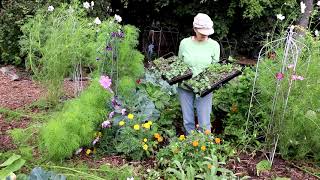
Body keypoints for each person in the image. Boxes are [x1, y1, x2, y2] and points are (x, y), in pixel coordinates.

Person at [177, 13, 220, 135]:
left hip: (205, 87)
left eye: (206, 33)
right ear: (194, 29)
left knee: (204, 120)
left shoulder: (214, 45)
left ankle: (204, 144)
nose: (204, 35)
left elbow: (215, 69)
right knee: (187, 119)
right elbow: (179, 64)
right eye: (201, 32)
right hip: (185, 86)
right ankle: (189, 144)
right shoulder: (184, 43)